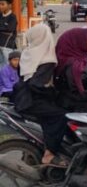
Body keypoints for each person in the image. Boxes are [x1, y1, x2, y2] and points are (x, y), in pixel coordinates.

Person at [16, 24, 67, 166]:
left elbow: (23, 78)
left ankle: (33, 153)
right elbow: (36, 85)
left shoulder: (26, 53)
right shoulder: (47, 59)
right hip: (32, 100)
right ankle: (49, 154)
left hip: (21, 97)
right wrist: (53, 92)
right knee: (61, 115)